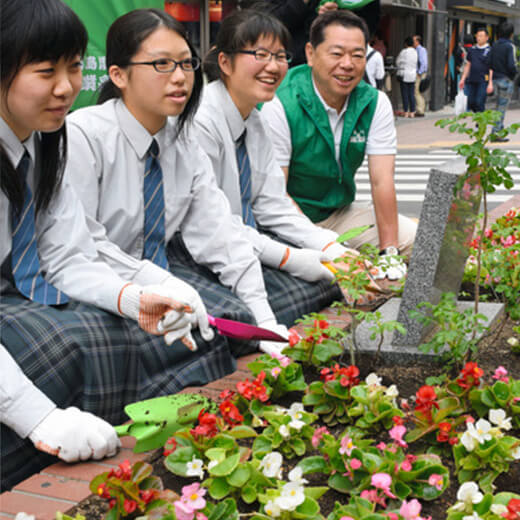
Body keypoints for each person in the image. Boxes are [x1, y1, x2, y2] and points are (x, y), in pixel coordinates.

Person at [1, 0, 236, 491]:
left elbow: (67, 255)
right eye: (46, 71)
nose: (66, 88)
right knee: (64, 348)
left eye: (70, 68)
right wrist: (39, 419)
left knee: (131, 330)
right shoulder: (85, 135)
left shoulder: (46, 141)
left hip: (23, 291)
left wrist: (135, 300)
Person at [64, 8, 293, 359]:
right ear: (118, 75)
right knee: (120, 349)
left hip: (157, 271)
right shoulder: (85, 136)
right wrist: (155, 284)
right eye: (161, 65)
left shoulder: (182, 142)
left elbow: (220, 231)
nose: (180, 77)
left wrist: (263, 318)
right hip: (98, 281)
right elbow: (82, 247)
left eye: (186, 64)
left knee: (256, 311)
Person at [194, 9, 358, 318]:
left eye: (281, 56)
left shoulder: (254, 120)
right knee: (252, 314)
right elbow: (211, 224)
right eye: (260, 54)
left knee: (326, 284)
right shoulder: (202, 120)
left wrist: (329, 246)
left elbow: (273, 204)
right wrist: (292, 258)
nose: (273, 67)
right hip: (206, 251)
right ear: (225, 62)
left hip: (246, 243)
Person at [261, 10, 417, 278]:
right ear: (310, 53)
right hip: (285, 220)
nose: (347, 64)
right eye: (336, 53)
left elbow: (382, 181)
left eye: (357, 55)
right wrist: (326, 245)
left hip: (339, 214)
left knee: (421, 243)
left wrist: (389, 251)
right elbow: (277, 195)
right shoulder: (280, 102)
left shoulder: (374, 102)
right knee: (344, 270)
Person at [489, 21, 517, 141]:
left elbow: (489, 62)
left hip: (494, 79)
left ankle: (496, 131)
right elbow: (511, 65)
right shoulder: (510, 46)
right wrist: (513, 75)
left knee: (495, 108)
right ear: (511, 34)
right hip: (505, 80)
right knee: (501, 108)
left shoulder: (494, 45)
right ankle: (496, 133)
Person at [459, 27, 493, 113]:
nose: (479, 38)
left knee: (479, 101)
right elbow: (468, 65)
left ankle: (480, 121)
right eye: (478, 36)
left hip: (483, 80)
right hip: (471, 79)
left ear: (487, 37)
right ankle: (478, 116)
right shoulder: (472, 50)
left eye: (481, 36)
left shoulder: (490, 51)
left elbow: (491, 68)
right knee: (470, 101)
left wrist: (490, 83)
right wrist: (463, 79)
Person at [396, 36, 418, 118]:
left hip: (404, 75)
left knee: (404, 94)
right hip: (412, 75)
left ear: (405, 43)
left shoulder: (404, 52)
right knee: (411, 94)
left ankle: (406, 112)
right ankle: (412, 112)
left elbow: (398, 62)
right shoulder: (415, 52)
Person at [412, 34, 428, 117]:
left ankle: (420, 110)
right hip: (420, 73)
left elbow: (424, 63)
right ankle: (420, 109)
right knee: (418, 92)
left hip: (420, 74)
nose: (412, 42)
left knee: (417, 91)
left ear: (417, 41)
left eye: (414, 41)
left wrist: (419, 72)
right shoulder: (416, 50)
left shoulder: (421, 50)